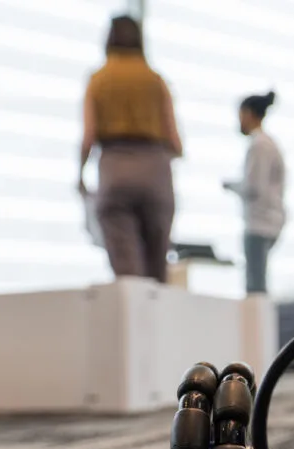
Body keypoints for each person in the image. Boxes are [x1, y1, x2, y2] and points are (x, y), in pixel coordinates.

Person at [78, 15, 183, 284]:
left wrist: (80, 175)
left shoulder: (99, 80)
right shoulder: (155, 80)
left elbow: (89, 136)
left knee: (129, 276)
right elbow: (175, 140)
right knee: (157, 272)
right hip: (156, 169)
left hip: (115, 168)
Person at [223, 91, 286, 294]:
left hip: (260, 223)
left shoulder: (259, 145)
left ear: (249, 114)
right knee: (257, 281)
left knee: (255, 286)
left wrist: (229, 186)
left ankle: (258, 326)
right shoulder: (269, 143)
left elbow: (253, 188)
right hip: (269, 219)